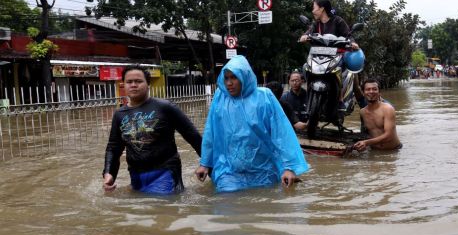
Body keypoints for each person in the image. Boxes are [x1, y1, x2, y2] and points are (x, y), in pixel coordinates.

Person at [194, 56, 309, 193]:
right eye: (226, 78)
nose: (229, 83)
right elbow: (211, 131)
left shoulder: (264, 97)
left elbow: (281, 133)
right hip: (229, 170)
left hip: (264, 170)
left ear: (244, 77)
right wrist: (205, 163)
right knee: (225, 204)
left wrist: (289, 168)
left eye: (234, 77)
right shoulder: (220, 98)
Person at [102, 65, 202, 194]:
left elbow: (192, 135)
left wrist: (206, 164)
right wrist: (109, 173)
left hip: (165, 172)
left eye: (138, 81)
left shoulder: (165, 107)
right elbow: (114, 147)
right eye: (129, 82)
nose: (133, 85)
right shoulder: (120, 114)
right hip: (136, 176)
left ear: (148, 84)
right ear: (124, 85)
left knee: (162, 210)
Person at [354, 78, 402, 151]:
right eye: (368, 89)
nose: (371, 91)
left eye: (374, 89)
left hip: (393, 151)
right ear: (363, 93)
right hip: (375, 150)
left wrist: (366, 143)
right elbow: (364, 134)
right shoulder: (362, 112)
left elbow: (389, 136)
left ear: (379, 92)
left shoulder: (388, 109)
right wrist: (361, 145)